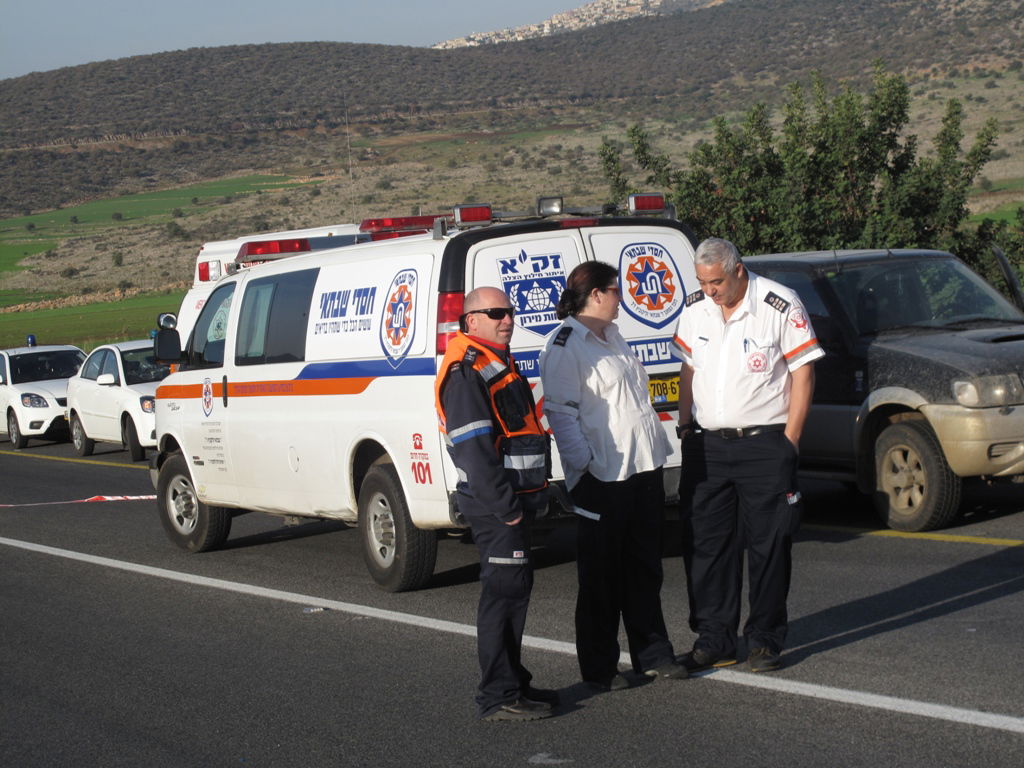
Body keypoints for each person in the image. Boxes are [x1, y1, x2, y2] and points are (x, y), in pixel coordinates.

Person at [672, 237, 824, 673]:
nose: (710, 290)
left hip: (764, 443)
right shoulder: (696, 307)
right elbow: (688, 367)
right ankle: (714, 638)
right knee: (707, 546)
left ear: (738, 270)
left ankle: (764, 639)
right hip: (708, 445)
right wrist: (686, 425)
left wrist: (790, 441)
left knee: (768, 544)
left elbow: (804, 372)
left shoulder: (779, 304)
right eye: (703, 282)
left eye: (716, 281)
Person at [540, 261, 686, 691]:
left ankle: (653, 654)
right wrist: (582, 469)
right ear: (597, 295)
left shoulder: (613, 335)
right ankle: (599, 669)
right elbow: (561, 412)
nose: (621, 297)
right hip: (602, 476)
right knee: (601, 578)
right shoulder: (566, 345)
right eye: (615, 291)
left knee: (644, 569)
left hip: (642, 468)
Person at [434, 286, 556, 722]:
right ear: (471, 321)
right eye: (496, 313)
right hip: (495, 505)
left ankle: (513, 682)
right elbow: (474, 450)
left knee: (513, 593)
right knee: (503, 597)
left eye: (510, 311)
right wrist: (506, 507)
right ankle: (498, 694)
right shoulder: (467, 370)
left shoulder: (492, 360)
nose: (508, 319)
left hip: (511, 500)